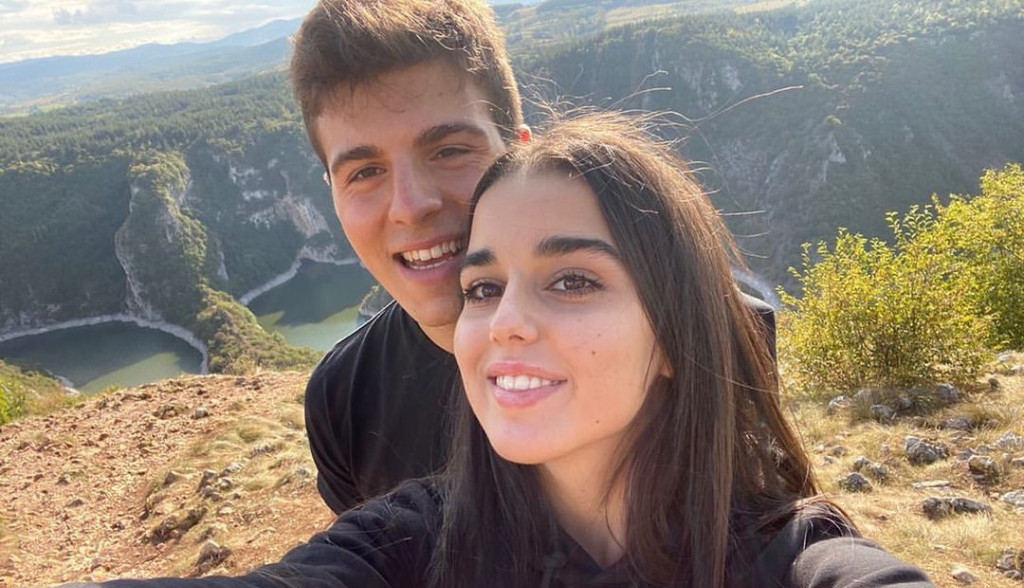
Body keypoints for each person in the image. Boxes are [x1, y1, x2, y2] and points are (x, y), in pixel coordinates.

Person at [85, 112, 933, 588]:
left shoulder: (794, 562)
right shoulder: (409, 544)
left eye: (573, 280)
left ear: (676, 334)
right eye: (483, 288)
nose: (503, 324)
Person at [290, 0, 776, 516]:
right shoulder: (342, 400)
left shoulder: (717, 331)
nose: (411, 206)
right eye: (365, 172)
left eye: (449, 151)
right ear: (332, 193)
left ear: (519, 153)